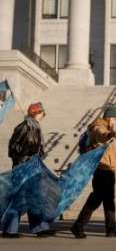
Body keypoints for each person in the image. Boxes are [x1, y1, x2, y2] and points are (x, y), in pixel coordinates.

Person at [70, 105, 116, 239]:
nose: (115, 121)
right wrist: (109, 133)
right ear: (110, 117)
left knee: (108, 200)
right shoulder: (99, 126)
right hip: (102, 170)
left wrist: (111, 131)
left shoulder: (105, 127)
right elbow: (102, 136)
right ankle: (78, 226)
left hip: (108, 170)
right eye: (114, 118)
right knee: (96, 199)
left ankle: (111, 229)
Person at [3, 102, 56, 238]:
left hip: (33, 168)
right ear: (35, 113)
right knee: (18, 199)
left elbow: (38, 149)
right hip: (22, 168)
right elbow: (13, 148)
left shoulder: (35, 127)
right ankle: (9, 230)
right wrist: (26, 151)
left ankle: (40, 227)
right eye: (41, 114)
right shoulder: (23, 127)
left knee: (35, 197)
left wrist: (38, 153)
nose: (42, 117)